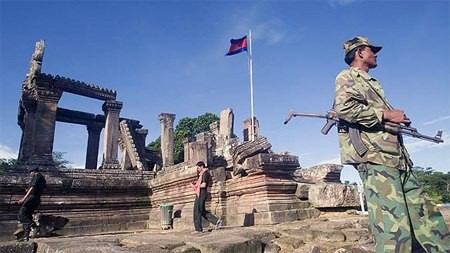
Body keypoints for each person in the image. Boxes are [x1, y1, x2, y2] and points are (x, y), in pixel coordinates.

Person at [334, 36, 450, 253]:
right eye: (371, 50)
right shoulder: (347, 76)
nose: (375, 54)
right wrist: (385, 114)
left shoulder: (370, 82)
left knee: (424, 210)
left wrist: (394, 119)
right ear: (360, 52)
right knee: (391, 222)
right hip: (375, 158)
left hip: (396, 157)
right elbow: (345, 109)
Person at [190, 161, 222, 234]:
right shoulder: (202, 174)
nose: (198, 169)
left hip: (202, 193)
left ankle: (198, 229)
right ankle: (216, 221)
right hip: (200, 193)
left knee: (197, 210)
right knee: (202, 211)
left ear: (202, 167)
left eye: (198, 168)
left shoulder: (205, 173)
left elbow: (204, 185)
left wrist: (195, 186)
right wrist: (196, 184)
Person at [17, 165, 46, 242]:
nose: (30, 174)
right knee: (28, 216)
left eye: (30, 172)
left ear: (34, 171)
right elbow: (37, 188)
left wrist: (24, 198)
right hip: (36, 198)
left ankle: (34, 226)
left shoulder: (37, 176)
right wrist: (29, 190)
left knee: (21, 215)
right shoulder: (42, 178)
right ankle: (26, 236)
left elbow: (32, 187)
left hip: (32, 198)